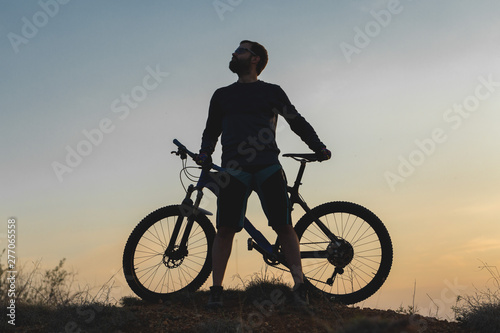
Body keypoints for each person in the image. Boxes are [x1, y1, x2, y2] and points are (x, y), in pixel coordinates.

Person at [195, 40, 331, 308]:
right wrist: (205, 151)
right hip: (233, 169)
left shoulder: (272, 91)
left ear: (255, 59)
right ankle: (217, 290)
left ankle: (300, 286)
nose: (234, 53)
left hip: (268, 165)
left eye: (241, 50)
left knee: (283, 226)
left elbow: (295, 120)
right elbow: (211, 129)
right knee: (224, 230)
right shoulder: (221, 95)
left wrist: (318, 147)